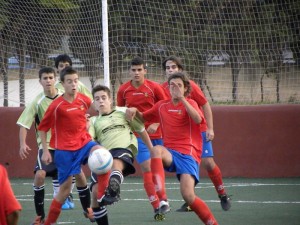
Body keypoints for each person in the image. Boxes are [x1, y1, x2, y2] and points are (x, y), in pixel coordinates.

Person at [126, 72, 219, 224]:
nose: (175, 88)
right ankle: (163, 200)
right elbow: (143, 117)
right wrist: (134, 111)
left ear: (185, 88)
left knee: (188, 195)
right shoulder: (162, 105)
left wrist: (182, 98)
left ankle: (213, 223)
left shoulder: (191, 103)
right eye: (172, 85)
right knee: (156, 150)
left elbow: (197, 119)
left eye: (179, 86)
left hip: (189, 154)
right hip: (171, 153)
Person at [161, 56, 231, 211]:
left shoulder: (190, 85)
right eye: (167, 67)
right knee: (187, 164)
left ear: (180, 69)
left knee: (207, 162)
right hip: (183, 136)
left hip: (199, 130)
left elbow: (205, 105)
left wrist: (210, 128)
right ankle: (189, 200)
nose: (170, 70)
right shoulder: (164, 88)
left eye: (173, 67)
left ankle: (222, 194)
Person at [37, 67, 103, 225]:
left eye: (75, 81)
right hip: (64, 151)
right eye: (69, 81)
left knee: (101, 152)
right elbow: (42, 128)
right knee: (65, 189)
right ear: (62, 84)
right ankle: (49, 222)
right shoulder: (56, 106)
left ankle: (104, 195)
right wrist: (46, 151)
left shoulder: (84, 99)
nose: (73, 84)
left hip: (83, 143)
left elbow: (97, 110)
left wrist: (88, 120)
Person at [17, 67, 78, 225]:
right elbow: (24, 125)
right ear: (40, 81)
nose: (48, 80)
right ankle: (40, 216)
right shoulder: (37, 102)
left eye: (51, 77)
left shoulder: (65, 96)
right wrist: (22, 144)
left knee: (77, 174)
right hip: (46, 146)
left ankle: (81, 204)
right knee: (40, 175)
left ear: (55, 79)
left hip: (66, 143)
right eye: (45, 78)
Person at [88, 85, 156, 223]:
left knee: (116, 164)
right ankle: (103, 206)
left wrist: (151, 149)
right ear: (94, 103)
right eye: (97, 99)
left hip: (123, 149)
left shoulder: (124, 112)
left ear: (110, 100)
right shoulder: (93, 121)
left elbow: (141, 129)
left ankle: (113, 188)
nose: (101, 101)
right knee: (95, 194)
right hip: (103, 155)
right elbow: (89, 141)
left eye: (103, 98)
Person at [117, 56, 169, 214]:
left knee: (157, 169)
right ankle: (158, 205)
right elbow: (120, 112)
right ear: (129, 72)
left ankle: (162, 201)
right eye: (133, 70)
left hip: (158, 134)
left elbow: (166, 107)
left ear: (145, 71)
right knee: (147, 167)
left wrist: (157, 123)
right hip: (137, 136)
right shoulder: (123, 90)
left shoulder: (155, 87)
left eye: (139, 70)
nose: (136, 73)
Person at [54, 53, 93, 209]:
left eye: (67, 64)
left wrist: (86, 117)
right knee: (61, 169)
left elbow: (89, 103)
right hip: (60, 137)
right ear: (57, 71)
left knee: (79, 170)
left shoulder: (80, 87)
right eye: (61, 65)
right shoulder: (55, 89)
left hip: (78, 136)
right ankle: (65, 196)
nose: (65, 67)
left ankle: (86, 206)